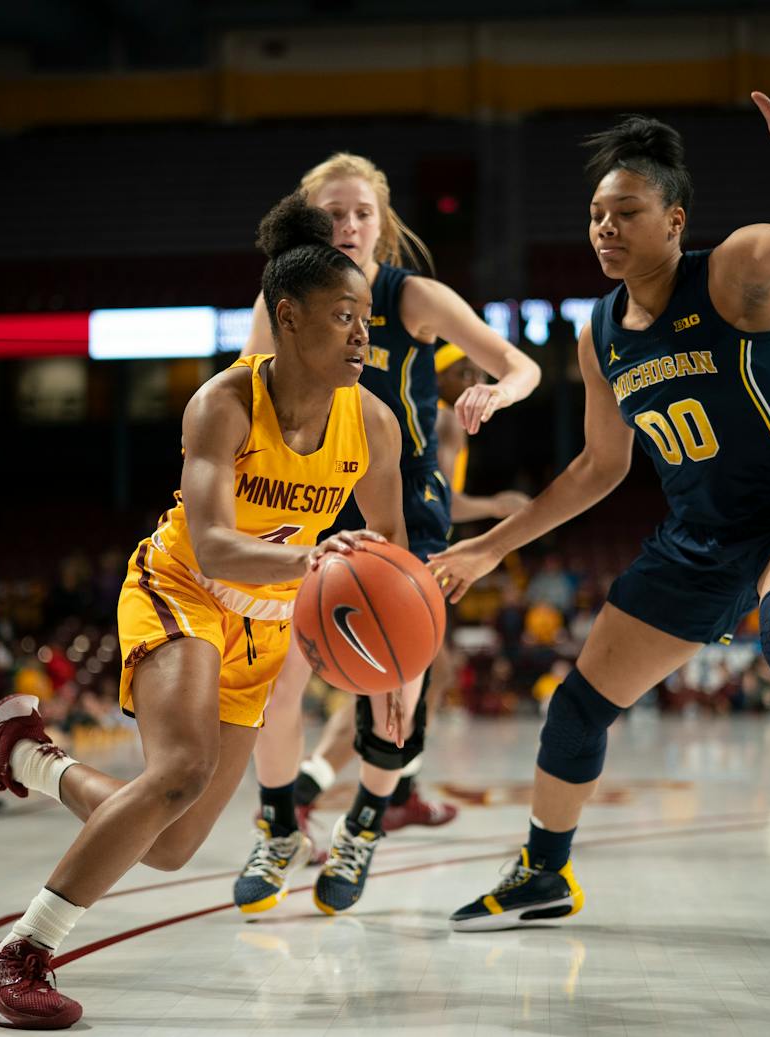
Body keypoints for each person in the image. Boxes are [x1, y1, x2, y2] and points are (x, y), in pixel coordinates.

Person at [431, 39, 770, 944]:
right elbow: (600, 468)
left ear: (675, 220)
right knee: (577, 707)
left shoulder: (730, 272)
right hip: (699, 539)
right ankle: (543, 872)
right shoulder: (599, 331)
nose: (603, 228)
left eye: (625, 212)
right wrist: (490, 545)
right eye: (596, 213)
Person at [0, 194, 405, 1029]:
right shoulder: (222, 403)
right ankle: (14, 957)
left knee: (173, 842)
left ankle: (26, 757)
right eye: (343, 317)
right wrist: (318, 561)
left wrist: (390, 664)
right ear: (288, 319)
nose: (363, 335)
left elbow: (391, 557)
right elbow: (215, 543)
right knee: (179, 771)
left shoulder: (374, 423)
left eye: (366, 319)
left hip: (263, 625)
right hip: (181, 586)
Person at [235, 153, 540, 915]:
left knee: (397, 686)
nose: (347, 226)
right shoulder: (281, 300)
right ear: (310, 221)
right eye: (332, 213)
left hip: (402, 514)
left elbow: (520, 363)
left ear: (382, 221)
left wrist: (497, 390)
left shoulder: (410, 297)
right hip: (306, 505)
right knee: (279, 685)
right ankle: (277, 824)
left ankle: (366, 820)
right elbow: (246, 390)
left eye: (361, 213)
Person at [262, 344, 533, 846]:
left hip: (396, 546)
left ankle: (399, 789)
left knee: (431, 673)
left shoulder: (428, 417)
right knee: (388, 677)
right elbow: (447, 503)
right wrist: (497, 505)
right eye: (463, 370)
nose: (471, 378)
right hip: (393, 553)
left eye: (477, 371)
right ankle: (308, 789)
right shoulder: (434, 420)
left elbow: (439, 498)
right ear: (433, 373)